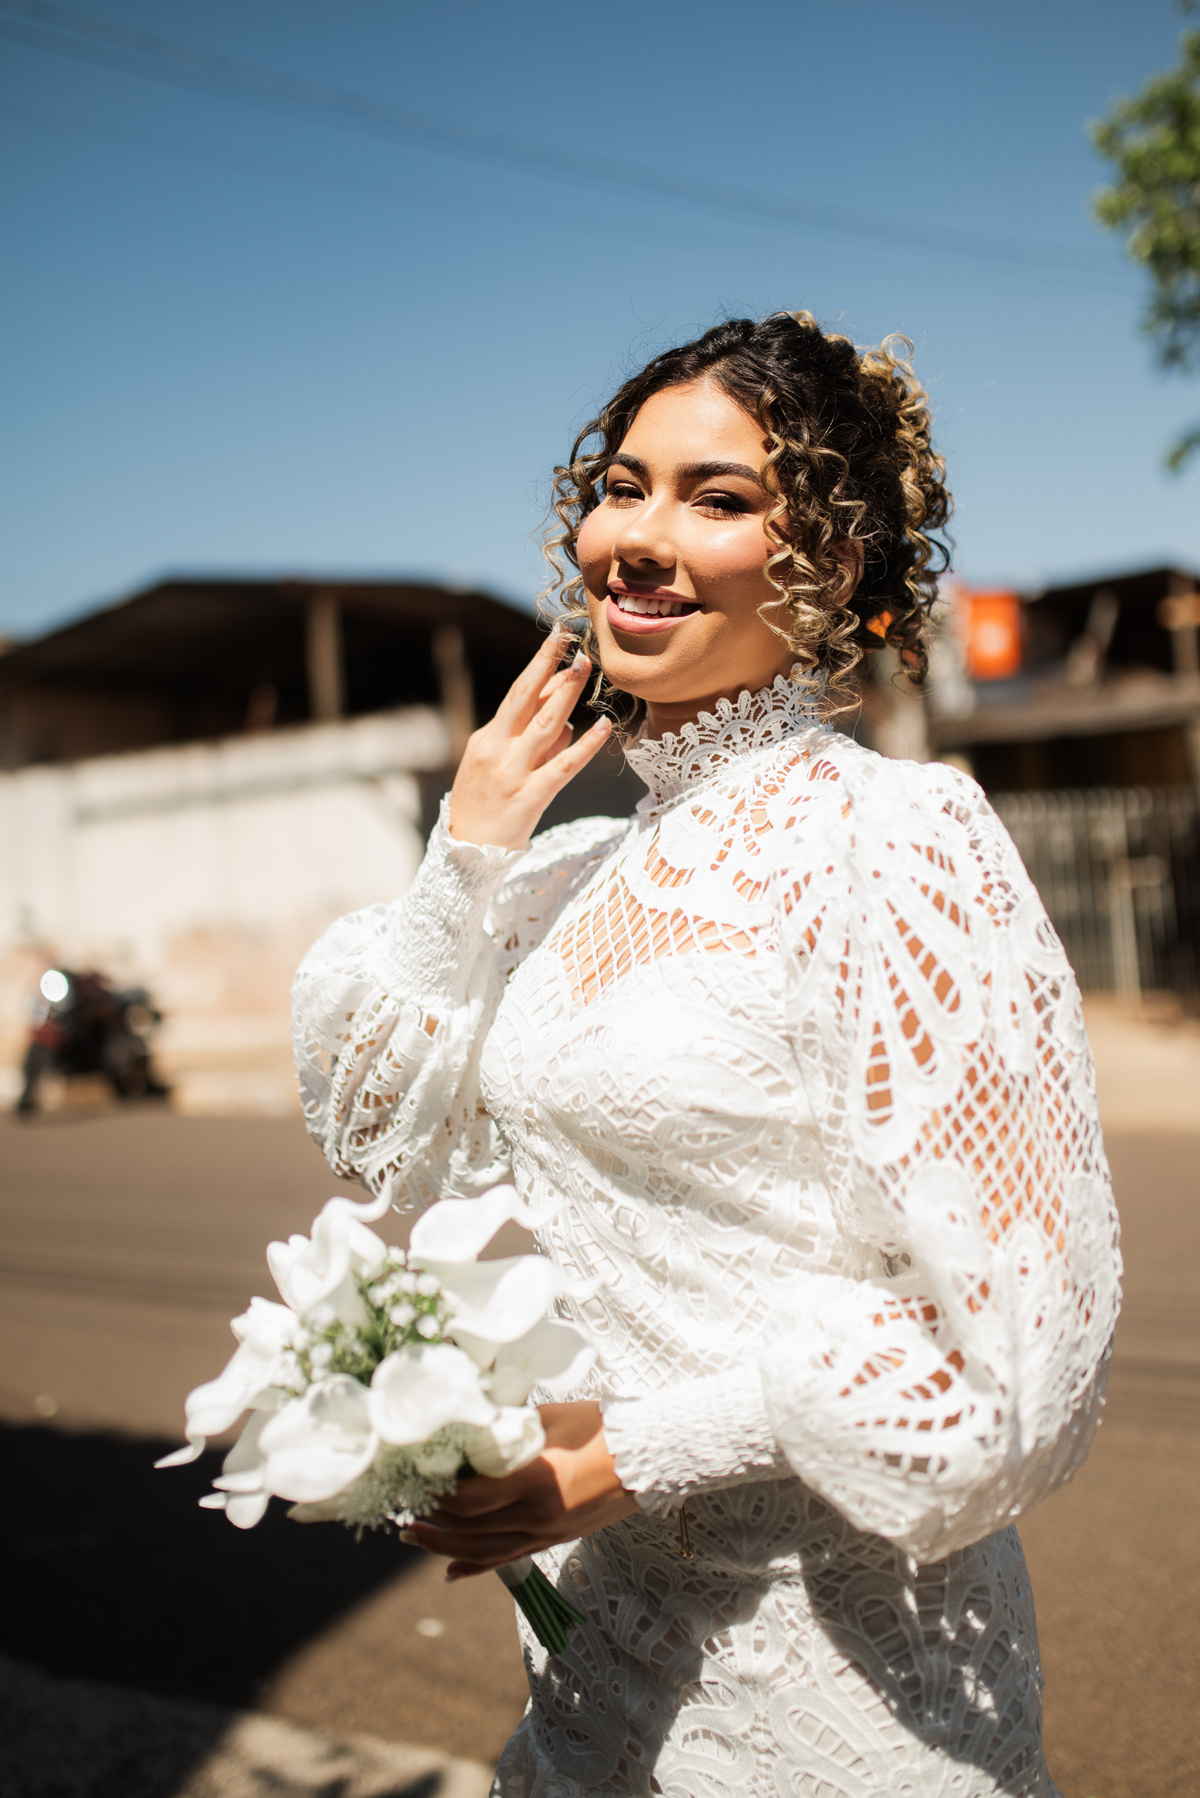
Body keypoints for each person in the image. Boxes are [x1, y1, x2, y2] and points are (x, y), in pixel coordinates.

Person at [291, 312, 1120, 1798]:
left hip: (842, 1690)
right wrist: (465, 854)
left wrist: (623, 1456)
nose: (640, 538)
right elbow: (370, 1134)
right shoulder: (565, 871)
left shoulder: (895, 840)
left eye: (717, 498)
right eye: (622, 487)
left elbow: (1004, 1348)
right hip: (594, 1676)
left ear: (835, 565)